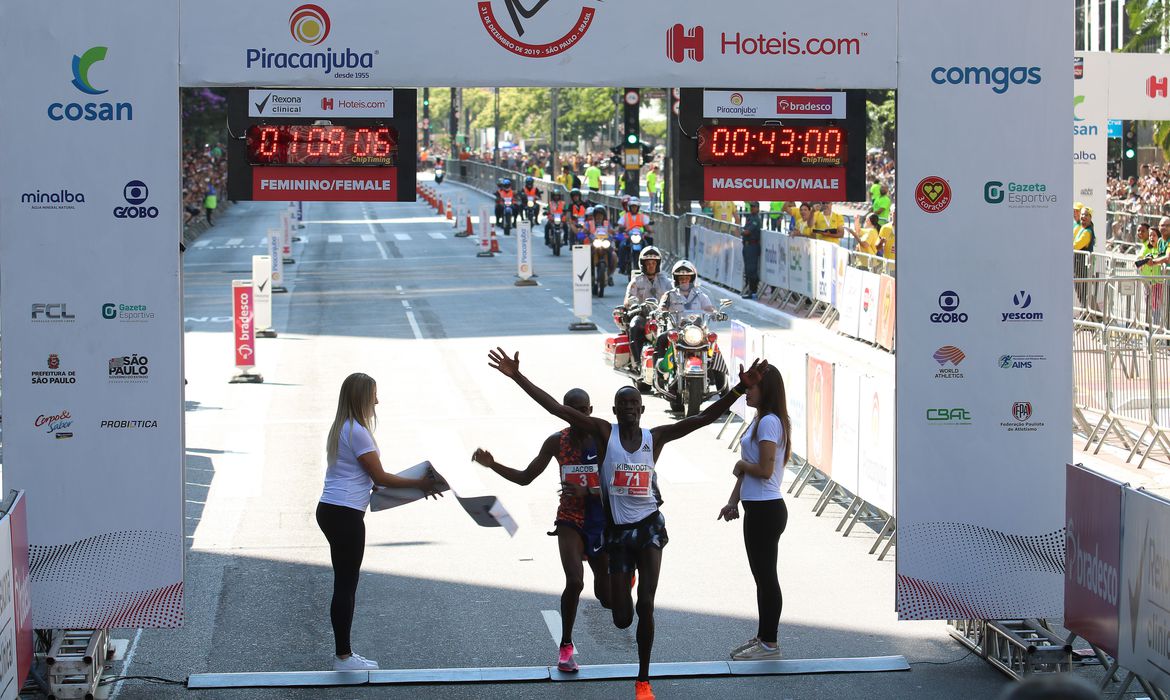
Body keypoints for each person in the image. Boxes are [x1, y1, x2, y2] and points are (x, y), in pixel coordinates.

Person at [487, 348, 769, 700]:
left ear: (643, 409)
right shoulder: (605, 433)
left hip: (650, 526)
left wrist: (738, 390)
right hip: (617, 533)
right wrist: (517, 377)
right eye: (624, 405)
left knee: (646, 606)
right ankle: (626, 584)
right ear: (616, 411)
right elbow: (557, 409)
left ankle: (643, 680)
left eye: (635, 404)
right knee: (621, 617)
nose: (631, 409)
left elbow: (702, 418)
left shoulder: (657, 437)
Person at [472, 389, 610, 673]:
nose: (578, 415)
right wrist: (492, 464)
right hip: (569, 518)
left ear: (590, 410)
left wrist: (589, 490)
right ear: (564, 410)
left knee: (607, 598)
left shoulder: (603, 437)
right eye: (571, 409)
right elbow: (525, 478)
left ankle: (622, 578)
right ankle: (566, 647)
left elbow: (617, 483)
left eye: (583, 410)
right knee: (574, 582)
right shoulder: (557, 442)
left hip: (600, 520)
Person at [316, 373, 443, 671]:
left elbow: (362, 477)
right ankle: (343, 658)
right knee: (346, 585)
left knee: (344, 583)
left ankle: (344, 654)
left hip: (333, 509)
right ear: (362, 396)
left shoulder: (343, 428)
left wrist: (407, 487)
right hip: (345, 513)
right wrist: (422, 484)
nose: (377, 400)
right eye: (373, 394)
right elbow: (380, 477)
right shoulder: (357, 431)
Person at [717, 364, 791, 661]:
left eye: (752, 388)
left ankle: (770, 642)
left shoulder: (770, 422)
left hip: (767, 509)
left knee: (766, 576)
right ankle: (764, 636)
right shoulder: (760, 420)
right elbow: (747, 467)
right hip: (756, 507)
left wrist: (742, 467)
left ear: (767, 389)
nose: (747, 392)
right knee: (761, 576)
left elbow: (762, 469)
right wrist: (733, 500)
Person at [624, 247, 671, 369]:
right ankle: (637, 362)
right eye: (648, 263)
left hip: (663, 316)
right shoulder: (636, 281)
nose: (651, 266)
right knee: (635, 325)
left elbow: (675, 295)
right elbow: (628, 300)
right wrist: (635, 305)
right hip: (644, 316)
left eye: (653, 263)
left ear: (658, 264)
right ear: (643, 264)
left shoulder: (666, 281)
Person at [742, 202, 763, 298]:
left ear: (758, 208)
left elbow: (747, 231)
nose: (752, 208)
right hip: (747, 245)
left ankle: (753, 291)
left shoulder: (756, 219)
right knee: (748, 269)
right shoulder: (750, 217)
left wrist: (742, 232)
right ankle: (750, 289)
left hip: (752, 246)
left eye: (754, 207)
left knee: (751, 270)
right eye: (751, 206)